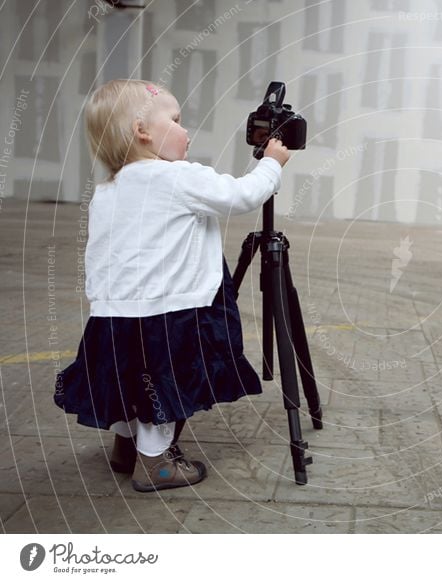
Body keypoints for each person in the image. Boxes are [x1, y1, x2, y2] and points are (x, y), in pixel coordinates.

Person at [54, 79, 290, 492]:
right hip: (171, 314)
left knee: (130, 379)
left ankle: (127, 448)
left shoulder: (108, 189)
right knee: (166, 386)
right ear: (143, 131)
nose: (187, 130)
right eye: (177, 120)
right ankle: (156, 463)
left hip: (113, 315)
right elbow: (241, 196)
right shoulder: (178, 178)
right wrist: (271, 162)